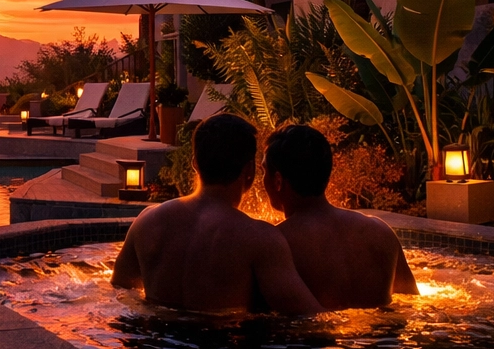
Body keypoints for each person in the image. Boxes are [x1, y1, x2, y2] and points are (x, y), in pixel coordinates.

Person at [111, 113, 323, 315]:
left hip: (155, 346)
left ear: (195, 163)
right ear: (249, 170)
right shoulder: (259, 239)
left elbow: (119, 291)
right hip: (220, 347)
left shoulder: (146, 221)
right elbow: (309, 317)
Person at [262, 123, 419, 310]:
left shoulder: (277, 244)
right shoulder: (380, 231)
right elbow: (412, 303)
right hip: (382, 338)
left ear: (278, 181)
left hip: (314, 338)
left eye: (264, 171)